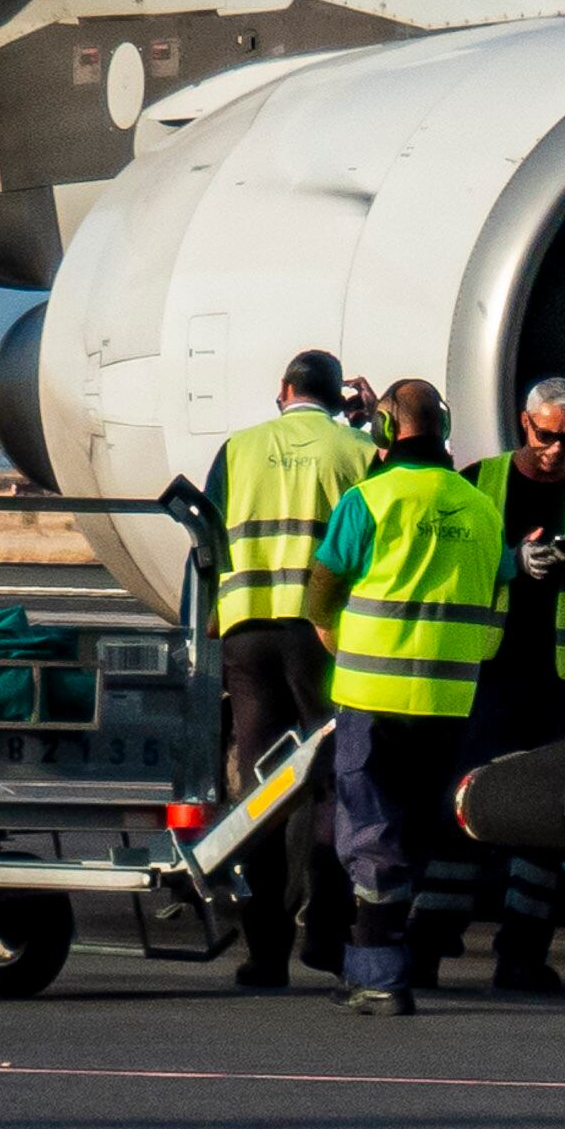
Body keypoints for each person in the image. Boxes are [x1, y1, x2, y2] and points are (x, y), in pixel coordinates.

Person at [306, 379, 506, 1018]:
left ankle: (381, 976)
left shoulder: (370, 500)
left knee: (369, 834)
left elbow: (322, 584)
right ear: (444, 432)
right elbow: (500, 587)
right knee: (416, 832)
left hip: (372, 694)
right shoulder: (479, 508)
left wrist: (329, 628)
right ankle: (374, 968)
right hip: (448, 701)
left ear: (387, 434)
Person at [451, 378, 565, 995]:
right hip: (493, 672)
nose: (556, 449)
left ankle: (522, 954)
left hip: (564, 683)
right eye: (546, 435)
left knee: (546, 816)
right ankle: (429, 940)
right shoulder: (481, 479)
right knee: (463, 804)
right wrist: (511, 563)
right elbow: (452, 567)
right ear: (524, 423)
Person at [202, 350, 369, 989]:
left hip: (246, 629)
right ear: (335, 396)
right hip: (321, 634)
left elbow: (208, 539)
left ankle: (262, 953)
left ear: (283, 391)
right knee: (331, 780)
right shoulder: (353, 451)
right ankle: (323, 925)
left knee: (260, 789)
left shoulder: (239, 449)